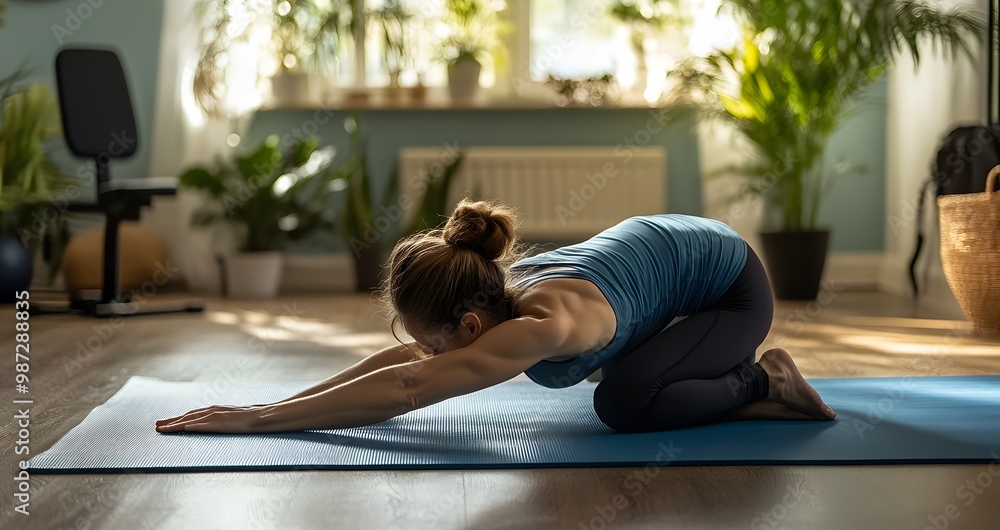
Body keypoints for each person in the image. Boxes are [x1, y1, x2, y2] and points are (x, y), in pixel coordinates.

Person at [156, 200, 836, 435]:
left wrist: (260, 421)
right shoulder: (488, 287)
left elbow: (410, 388)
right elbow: (411, 367)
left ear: (473, 329)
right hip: (677, 265)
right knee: (618, 386)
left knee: (625, 402)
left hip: (733, 289)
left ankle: (762, 382)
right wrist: (273, 404)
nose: (422, 352)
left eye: (433, 341)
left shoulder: (546, 324)